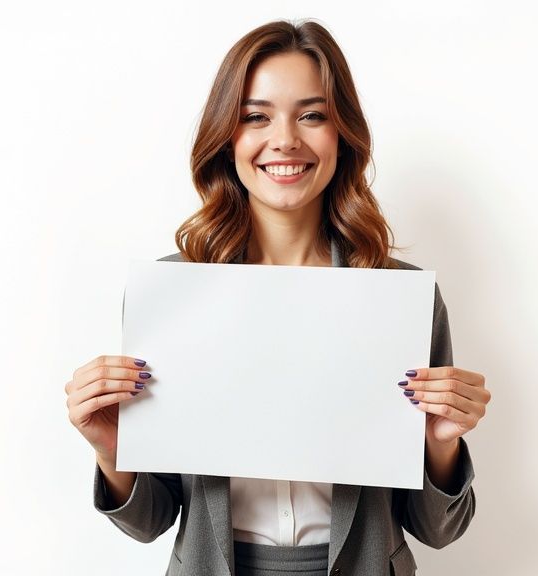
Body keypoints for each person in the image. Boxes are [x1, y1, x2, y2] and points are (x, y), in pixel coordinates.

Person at [64, 19, 491, 576]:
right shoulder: (175, 295)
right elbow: (150, 521)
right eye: (255, 116)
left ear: (343, 134)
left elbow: (439, 529)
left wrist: (440, 445)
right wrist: (110, 447)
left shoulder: (398, 298)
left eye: (312, 115)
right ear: (227, 137)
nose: (285, 139)